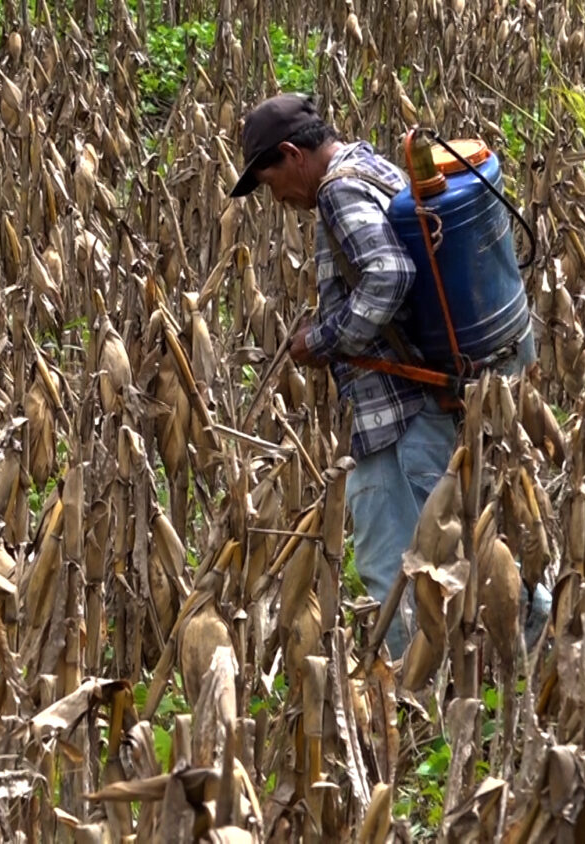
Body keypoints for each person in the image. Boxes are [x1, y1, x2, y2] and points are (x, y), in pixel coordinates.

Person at [228, 93, 550, 658]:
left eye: (270, 181)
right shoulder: (372, 166)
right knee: (444, 552)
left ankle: (473, 673)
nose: (275, 198)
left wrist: (322, 339)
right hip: (419, 404)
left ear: (291, 154)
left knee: (410, 570)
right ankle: (516, 649)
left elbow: (388, 274)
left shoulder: (337, 189)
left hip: (399, 416)